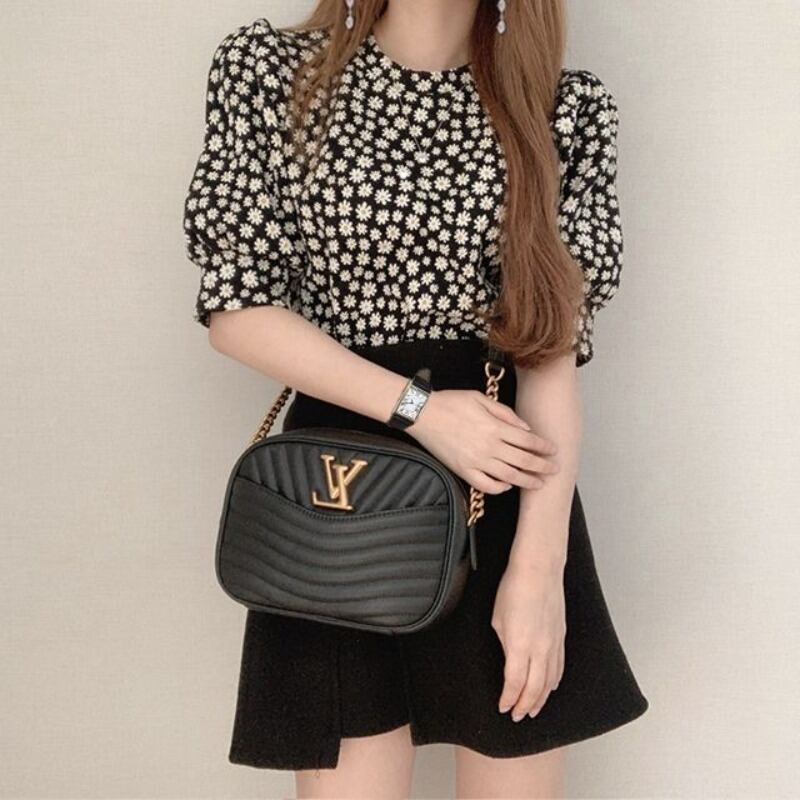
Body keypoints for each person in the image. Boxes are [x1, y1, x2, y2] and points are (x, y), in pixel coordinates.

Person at [182, 0, 649, 796]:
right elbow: (238, 310)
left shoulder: (560, 107)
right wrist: (423, 411)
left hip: (503, 486)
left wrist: (540, 571)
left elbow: (549, 361)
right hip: (337, 494)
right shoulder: (273, 73)